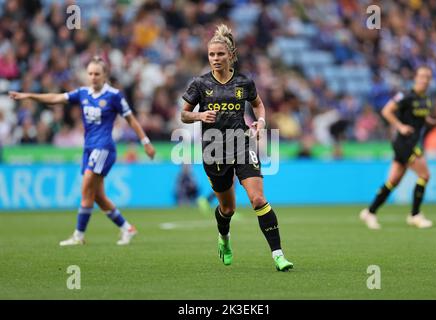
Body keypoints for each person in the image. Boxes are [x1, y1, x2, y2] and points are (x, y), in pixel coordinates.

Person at [180, 24, 293, 271]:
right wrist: (200, 117)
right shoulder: (199, 84)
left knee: (258, 198)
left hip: (242, 145)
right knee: (227, 208)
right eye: (211, 54)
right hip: (214, 150)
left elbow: (259, 105)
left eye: (220, 54)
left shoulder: (244, 82)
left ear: (230, 55)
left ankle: (278, 255)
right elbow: (183, 115)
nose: (216, 59)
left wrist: (261, 122)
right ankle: (224, 238)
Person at [9, 56, 156, 245]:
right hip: (88, 148)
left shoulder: (114, 96)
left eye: (97, 74)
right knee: (97, 196)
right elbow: (55, 98)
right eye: (90, 74)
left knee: (86, 186)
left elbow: (131, 120)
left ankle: (79, 235)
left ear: (105, 75)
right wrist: (29, 95)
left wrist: (145, 142)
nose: (93, 77)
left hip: (104, 148)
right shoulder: (83, 93)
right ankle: (127, 228)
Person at [360, 66, 436, 229]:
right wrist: (400, 126)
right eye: (421, 76)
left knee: (393, 182)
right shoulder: (406, 95)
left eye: (427, 77)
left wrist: (434, 122)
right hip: (404, 143)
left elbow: (422, 117)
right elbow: (386, 111)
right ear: (416, 78)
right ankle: (415, 215)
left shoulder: (426, 99)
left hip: (411, 143)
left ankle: (370, 212)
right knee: (425, 175)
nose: (424, 79)